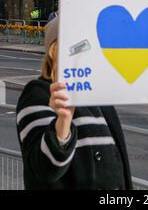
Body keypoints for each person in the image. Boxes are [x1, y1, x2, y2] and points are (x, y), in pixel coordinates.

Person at [16, 17, 132, 189]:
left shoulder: (96, 96)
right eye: (80, 46)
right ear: (55, 51)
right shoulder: (37, 93)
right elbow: (45, 168)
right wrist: (63, 121)